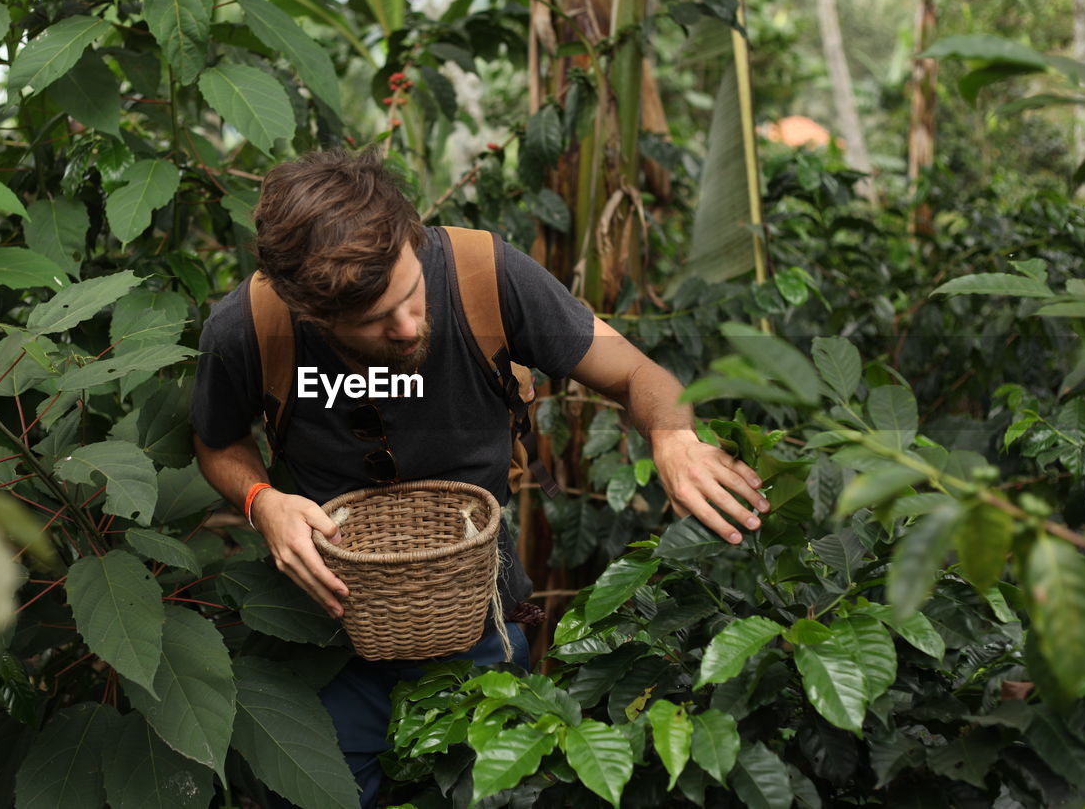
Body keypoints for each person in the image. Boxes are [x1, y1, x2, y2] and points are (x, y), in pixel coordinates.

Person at [191, 149, 769, 807]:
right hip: (328, 627)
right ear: (313, 313)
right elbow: (216, 441)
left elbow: (637, 374)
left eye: (411, 295)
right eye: (377, 322)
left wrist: (671, 434)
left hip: (476, 616)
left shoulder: (483, 273)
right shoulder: (247, 326)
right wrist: (263, 500)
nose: (409, 327)